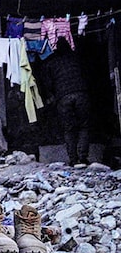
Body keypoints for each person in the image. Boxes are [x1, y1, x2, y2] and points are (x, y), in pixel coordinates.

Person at [39, 39, 92, 167]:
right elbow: (87, 75)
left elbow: (47, 84)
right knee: (84, 126)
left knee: (69, 129)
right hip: (81, 94)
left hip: (63, 98)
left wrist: (52, 96)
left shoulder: (52, 63)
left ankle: (73, 160)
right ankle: (83, 158)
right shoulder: (76, 59)